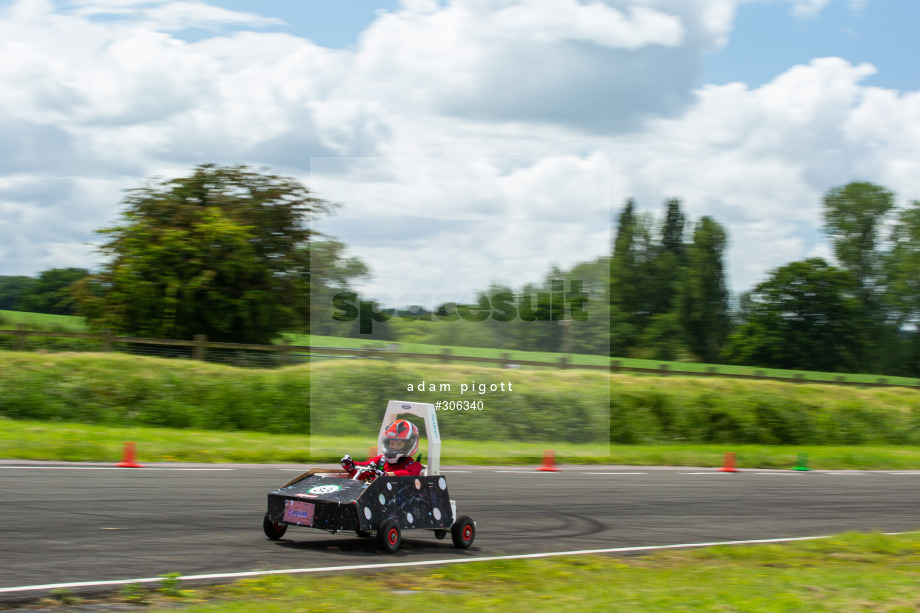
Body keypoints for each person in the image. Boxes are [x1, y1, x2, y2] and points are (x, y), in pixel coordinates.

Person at [341, 419, 423, 477]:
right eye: (391, 443)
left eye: (398, 444)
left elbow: (407, 475)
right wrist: (351, 465)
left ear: (409, 445)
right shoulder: (380, 461)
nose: (393, 447)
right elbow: (363, 468)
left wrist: (385, 475)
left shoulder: (415, 466)